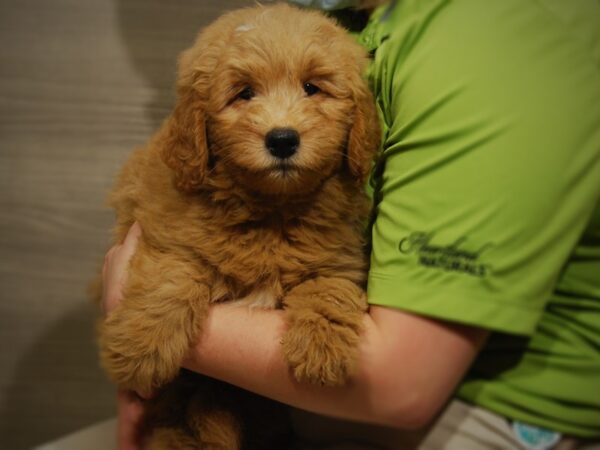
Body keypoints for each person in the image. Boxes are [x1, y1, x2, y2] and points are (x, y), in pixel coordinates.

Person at [101, 0, 600, 449]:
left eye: (312, 89)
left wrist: (151, 309)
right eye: (245, 94)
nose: (281, 119)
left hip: (491, 412)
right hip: (282, 401)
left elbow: (402, 386)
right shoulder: (344, 21)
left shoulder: (491, 40)